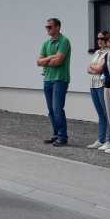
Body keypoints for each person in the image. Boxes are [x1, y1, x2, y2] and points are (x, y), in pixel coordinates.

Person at [37, 18, 72, 147]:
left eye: (50, 27)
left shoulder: (64, 41)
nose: (47, 29)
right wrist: (51, 57)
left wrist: (47, 60)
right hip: (48, 79)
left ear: (57, 27)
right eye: (46, 27)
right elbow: (38, 62)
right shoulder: (46, 43)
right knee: (51, 110)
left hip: (60, 79)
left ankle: (63, 136)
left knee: (57, 108)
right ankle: (56, 134)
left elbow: (59, 61)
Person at [86, 31, 110, 150]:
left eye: (102, 38)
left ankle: (109, 140)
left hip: (102, 86)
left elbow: (100, 68)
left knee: (107, 114)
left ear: (107, 39)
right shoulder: (97, 52)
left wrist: (94, 68)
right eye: (98, 38)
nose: (99, 40)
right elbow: (89, 68)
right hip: (93, 85)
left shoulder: (108, 53)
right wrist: (95, 68)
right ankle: (101, 139)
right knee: (101, 114)